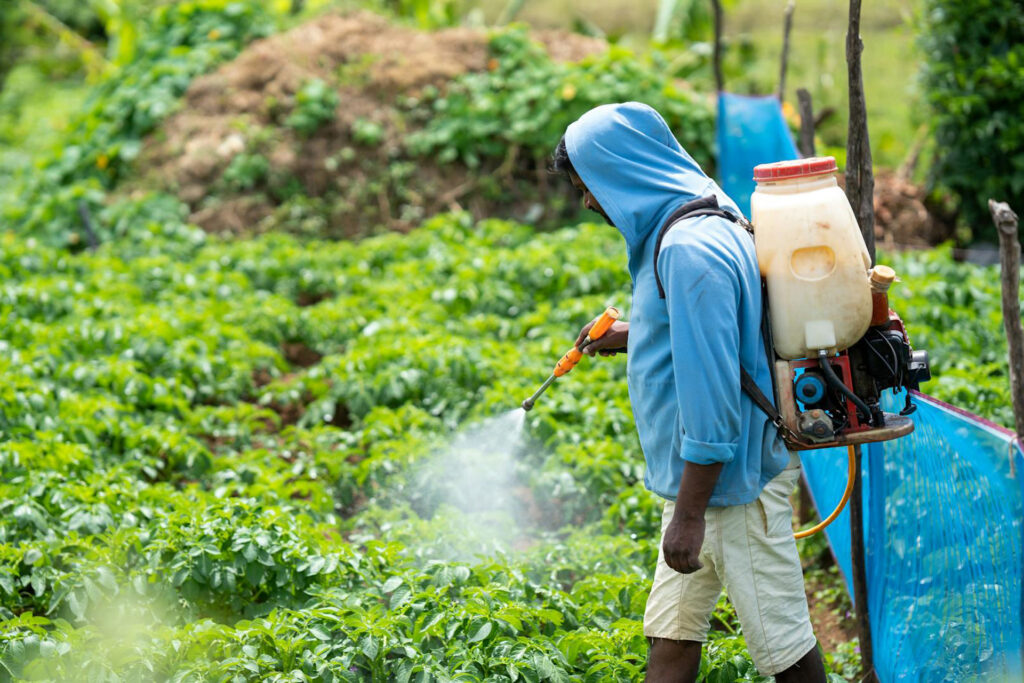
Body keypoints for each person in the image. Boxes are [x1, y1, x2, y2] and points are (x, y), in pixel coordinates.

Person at [553, 102, 827, 683]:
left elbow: (713, 392)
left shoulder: (684, 252)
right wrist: (640, 333)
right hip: (709, 486)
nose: (589, 203)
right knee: (672, 632)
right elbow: (724, 325)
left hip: (729, 490)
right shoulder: (708, 208)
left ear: (623, 173)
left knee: (786, 652)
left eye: (589, 187)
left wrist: (689, 514)